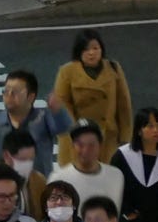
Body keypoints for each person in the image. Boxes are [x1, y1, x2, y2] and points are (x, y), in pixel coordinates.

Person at [0, 69, 70, 182]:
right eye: (6, 91)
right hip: (0, 189)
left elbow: (64, 127)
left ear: (31, 97)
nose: (9, 95)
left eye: (15, 91)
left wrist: (58, 111)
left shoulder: (44, 119)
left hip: (37, 188)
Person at [51, 29, 133, 167]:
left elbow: (124, 105)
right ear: (79, 51)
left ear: (101, 49)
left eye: (95, 48)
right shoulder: (67, 71)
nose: (91, 53)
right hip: (77, 140)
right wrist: (77, 132)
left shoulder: (113, 68)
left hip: (108, 139)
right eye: (86, 49)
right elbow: (63, 105)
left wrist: (126, 138)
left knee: (108, 175)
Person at [46, 119, 125, 217]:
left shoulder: (115, 176)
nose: (85, 150)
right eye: (80, 145)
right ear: (72, 146)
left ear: (100, 146)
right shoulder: (58, 179)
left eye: (91, 145)